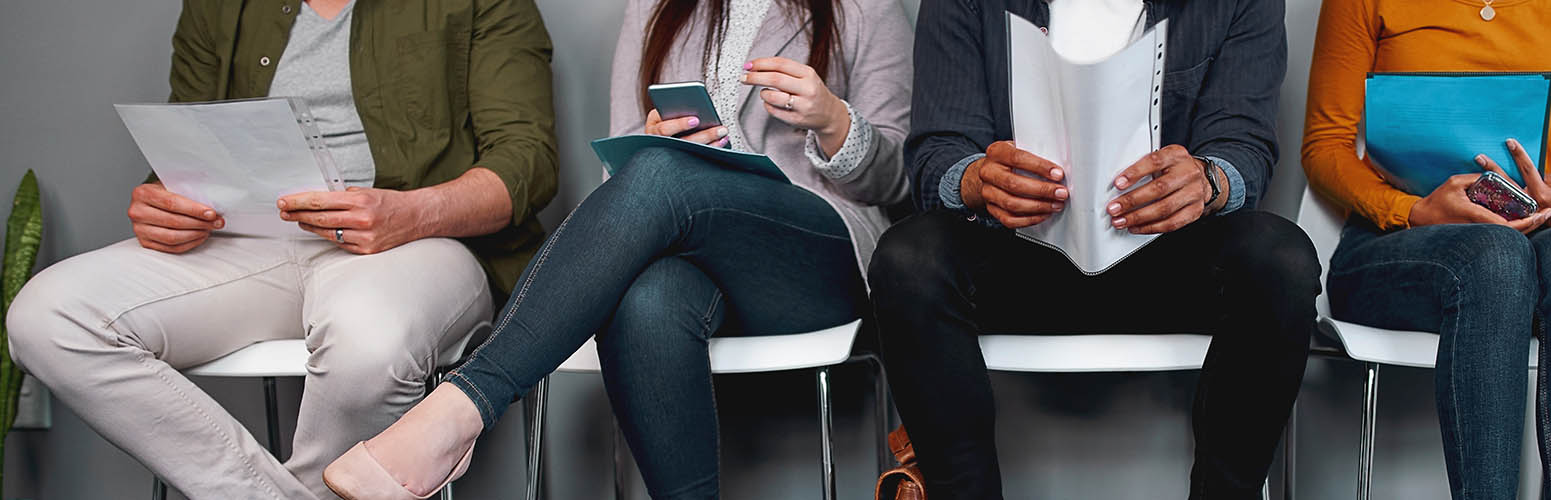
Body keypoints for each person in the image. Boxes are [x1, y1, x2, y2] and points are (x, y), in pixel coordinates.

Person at [320, 0, 913, 498]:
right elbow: (621, 181)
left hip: (812, 258)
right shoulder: (656, 8)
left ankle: (461, 409)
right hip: (693, 254)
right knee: (646, 299)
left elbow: (898, 181)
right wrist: (655, 141)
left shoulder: (863, 9)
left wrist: (833, 120)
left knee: (660, 176)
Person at [2, 0, 557, 498]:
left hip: (417, 242)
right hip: (244, 242)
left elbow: (528, 161)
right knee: (45, 317)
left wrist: (410, 212)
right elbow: (185, 146)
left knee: (371, 346)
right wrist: (165, 200)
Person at [869, 0, 1317, 498]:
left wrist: (1208, 181)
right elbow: (938, 153)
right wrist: (976, 180)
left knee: (1282, 258)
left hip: (1165, 258)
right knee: (907, 257)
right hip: (1015, 255)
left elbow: (1243, 146)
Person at [1302, 0, 1551, 497]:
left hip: (1528, 235)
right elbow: (1325, 145)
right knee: (1494, 258)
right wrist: (1412, 210)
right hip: (1393, 244)